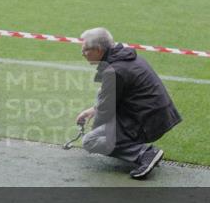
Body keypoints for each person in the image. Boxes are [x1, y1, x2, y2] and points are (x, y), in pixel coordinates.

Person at [75, 27, 181, 180]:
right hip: (152, 115)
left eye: (85, 49)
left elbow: (106, 112)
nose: (82, 53)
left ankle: (145, 154)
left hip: (147, 121)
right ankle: (134, 149)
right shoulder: (122, 59)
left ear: (98, 50)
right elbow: (108, 99)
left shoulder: (115, 70)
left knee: (91, 141)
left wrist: (97, 130)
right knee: (101, 126)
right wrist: (93, 111)